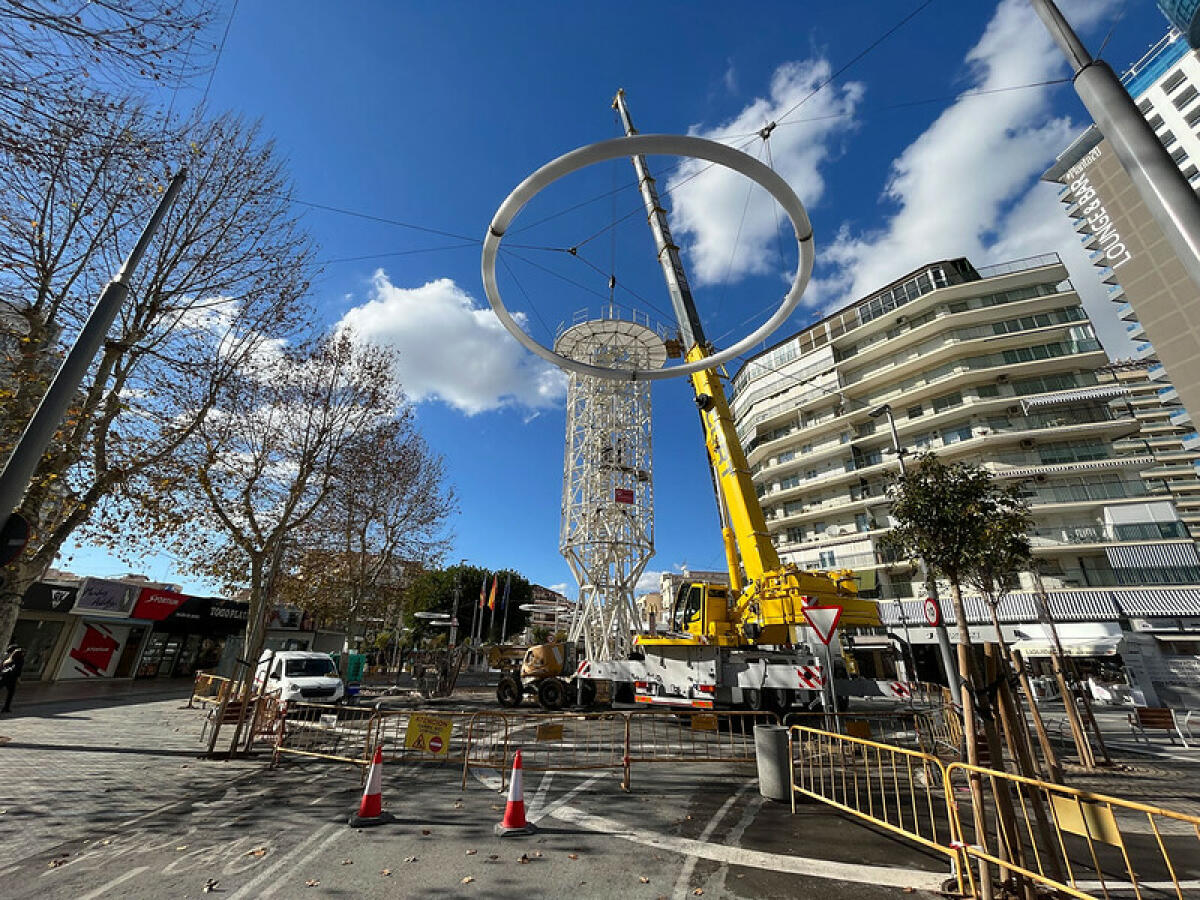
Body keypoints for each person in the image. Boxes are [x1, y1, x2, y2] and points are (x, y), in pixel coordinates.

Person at [1, 644, 24, 713]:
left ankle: (6, 708)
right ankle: (6, 708)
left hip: (4, 677)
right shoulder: (20, 660)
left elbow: (2, 666)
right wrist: (18, 679)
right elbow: (18, 670)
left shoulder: (8, 658)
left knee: (10, 693)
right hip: (12, 679)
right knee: (10, 694)